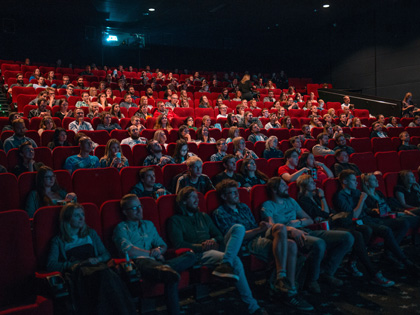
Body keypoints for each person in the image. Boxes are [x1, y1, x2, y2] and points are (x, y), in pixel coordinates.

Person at [213, 180, 313, 311]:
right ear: (224, 196)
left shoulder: (243, 207)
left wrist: (261, 229)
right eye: (232, 193)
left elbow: (256, 227)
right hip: (248, 242)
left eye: (237, 192)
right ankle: (289, 291)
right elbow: (235, 237)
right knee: (291, 246)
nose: (237, 195)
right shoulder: (220, 212)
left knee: (280, 227)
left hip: (259, 236)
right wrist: (259, 230)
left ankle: (281, 279)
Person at [168, 187, 270, 314]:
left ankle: (225, 263)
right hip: (200, 253)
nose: (197, 200)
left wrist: (213, 241)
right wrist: (202, 246)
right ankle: (252, 306)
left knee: (238, 227)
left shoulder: (203, 216)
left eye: (197, 197)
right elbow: (179, 244)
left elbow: (219, 237)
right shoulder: (175, 220)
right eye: (193, 197)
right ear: (183, 201)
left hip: (216, 247)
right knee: (236, 260)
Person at [297, 175, 395, 287]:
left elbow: (328, 212)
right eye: (310, 182)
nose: (314, 183)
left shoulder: (315, 197)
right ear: (304, 186)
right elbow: (324, 214)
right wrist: (323, 197)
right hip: (328, 227)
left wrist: (322, 201)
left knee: (366, 230)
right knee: (357, 235)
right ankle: (373, 272)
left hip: (336, 222)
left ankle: (352, 262)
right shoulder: (304, 200)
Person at [262, 177, 354, 293]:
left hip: (305, 229)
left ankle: (327, 272)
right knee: (319, 243)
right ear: (274, 190)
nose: (287, 187)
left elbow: (309, 220)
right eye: (283, 185)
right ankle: (312, 280)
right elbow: (271, 227)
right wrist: (290, 228)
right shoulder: (268, 205)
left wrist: (298, 222)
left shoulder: (291, 201)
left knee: (347, 237)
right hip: (289, 235)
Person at [113, 194, 196, 315]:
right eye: (134, 208)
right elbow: (128, 250)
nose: (140, 210)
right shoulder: (121, 228)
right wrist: (151, 254)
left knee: (191, 256)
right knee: (168, 275)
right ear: (125, 212)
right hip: (139, 263)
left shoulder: (149, 225)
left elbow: (163, 245)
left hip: (157, 262)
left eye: (140, 206)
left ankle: (166, 269)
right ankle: (166, 271)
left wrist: (158, 250)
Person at [47, 203, 137, 315]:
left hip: (97, 267)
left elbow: (105, 254)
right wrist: (76, 264)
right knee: (105, 276)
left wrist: (98, 259)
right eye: (76, 215)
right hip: (80, 273)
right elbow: (51, 264)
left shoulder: (90, 233)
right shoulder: (58, 240)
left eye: (82, 214)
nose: (81, 218)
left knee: (107, 275)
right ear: (67, 218)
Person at [333, 170, 417, 272]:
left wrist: (374, 211)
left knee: (403, 222)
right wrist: (361, 200)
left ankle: (389, 254)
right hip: (359, 223)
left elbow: (366, 210)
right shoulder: (340, 196)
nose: (356, 183)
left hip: (371, 218)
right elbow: (354, 215)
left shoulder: (356, 192)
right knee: (386, 230)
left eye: (356, 180)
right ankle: (405, 260)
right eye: (353, 180)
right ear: (345, 182)